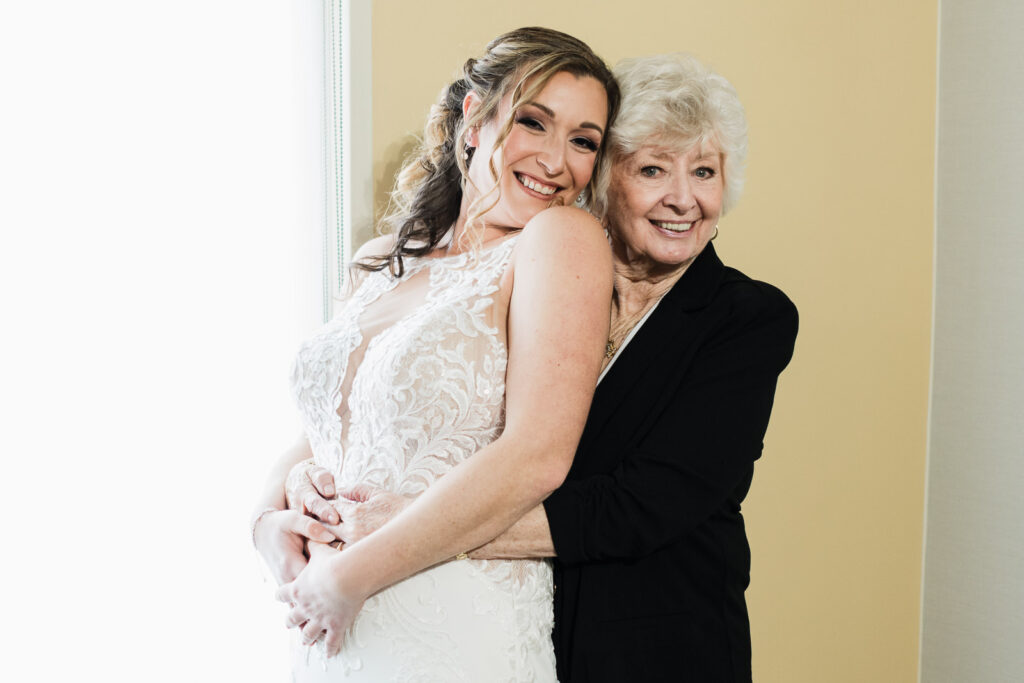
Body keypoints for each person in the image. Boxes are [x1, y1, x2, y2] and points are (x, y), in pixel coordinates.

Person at [289, 53, 798, 682]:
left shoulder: (745, 318)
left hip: (656, 646)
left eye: (704, 172)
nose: (683, 199)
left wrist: (408, 528)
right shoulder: (532, 275)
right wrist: (286, 509)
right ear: (607, 179)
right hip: (515, 623)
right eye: (652, 169)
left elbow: (641, 504)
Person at [250, 27, 620, 681]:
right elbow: (325, 432)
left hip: (452, 626)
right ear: (474, 119)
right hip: (329, 627)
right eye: (534, 122)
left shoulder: (561, 240)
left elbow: (537, 455)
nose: (558, 160)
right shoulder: (377, 261)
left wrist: (351, 577)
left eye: (584, 140)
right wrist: (267, 521)